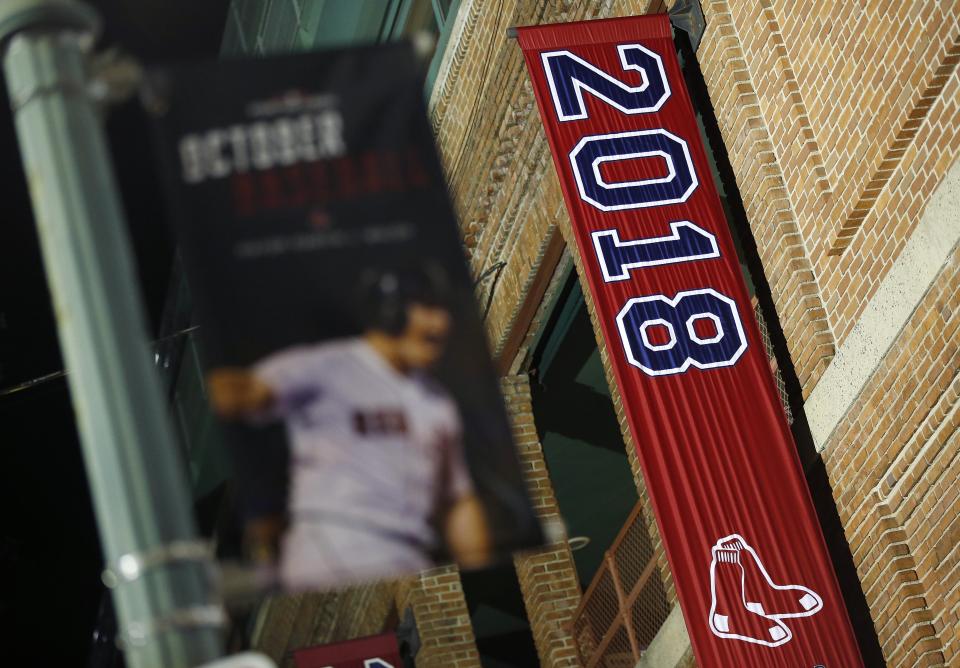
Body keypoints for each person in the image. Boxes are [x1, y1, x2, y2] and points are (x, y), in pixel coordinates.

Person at [206, 265, 492, 589]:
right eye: (428, 310)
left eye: (443, 312)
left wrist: (481, 569)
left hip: (409, 554)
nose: (441, 323)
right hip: (334, 543)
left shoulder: (438, 402)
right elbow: (245, 392)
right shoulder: (330, 365)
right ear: (389, 312)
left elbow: (457, 500)